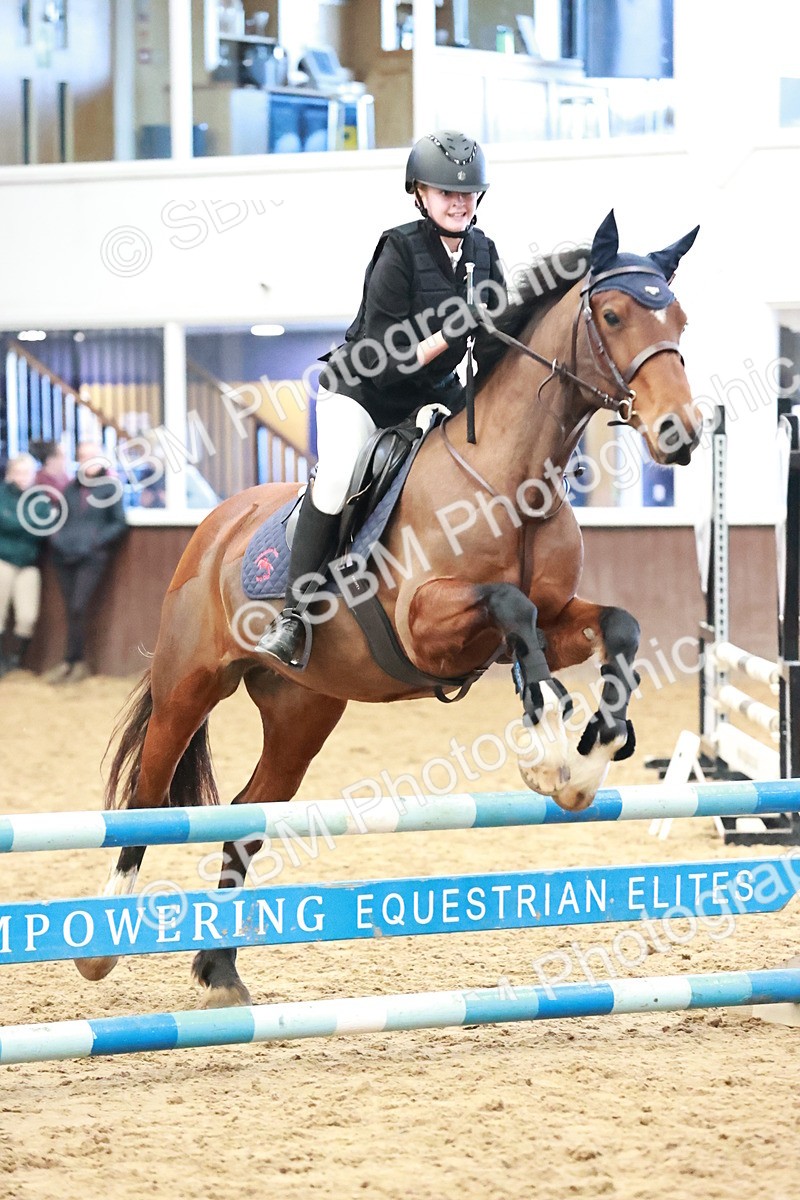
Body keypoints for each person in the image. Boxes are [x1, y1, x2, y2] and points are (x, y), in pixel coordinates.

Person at [258, 129, 506, 667]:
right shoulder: (398, 248)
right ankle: (295, 616)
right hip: (364, 390)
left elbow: (495, 337)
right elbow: (383, 354)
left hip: (433, 391)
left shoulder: (484, 253)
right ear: (420, 193)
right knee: (339, 475)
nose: (458, 202)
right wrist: (447, 335)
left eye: (466, 194)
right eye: (446, 193)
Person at [45, 441, 127, 683]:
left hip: (91, 558)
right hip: (64, 557)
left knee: (78, 606)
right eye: (83, 457)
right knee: (72, 608)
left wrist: (94, 542)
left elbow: (118, 523)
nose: (87, 462)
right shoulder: (70, 488)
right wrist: (57, 539)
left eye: (91, 456)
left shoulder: (110, 488)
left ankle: (75, 662)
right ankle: (70, 662)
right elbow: (58, 519)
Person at [0, 454, 43, 677]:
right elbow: (8, 522)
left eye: (26, 472)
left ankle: (15, 664)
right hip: (3, 562)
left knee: (27, 617)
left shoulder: (39, 497)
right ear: (10, 473)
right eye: (18, 472)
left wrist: (18, 523)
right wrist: (28, 523)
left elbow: (44, 525)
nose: (22, 477)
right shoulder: (2, 494)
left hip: (28, 564)